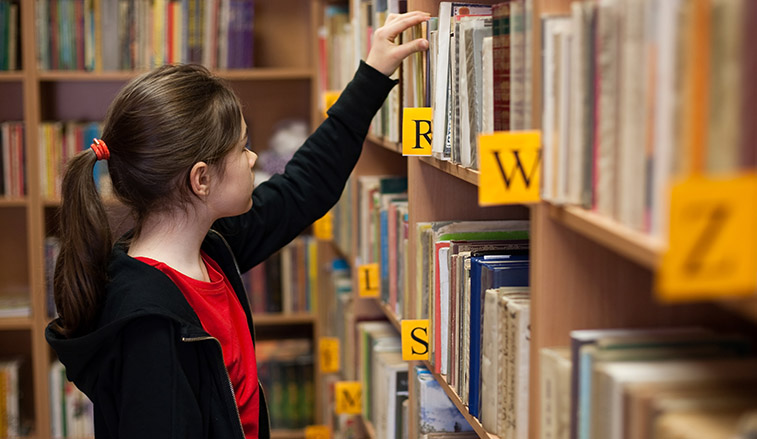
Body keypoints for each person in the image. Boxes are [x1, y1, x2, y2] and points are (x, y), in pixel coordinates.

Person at [45, 11, 430, 439]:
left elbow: (304, 188)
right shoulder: (149, 328)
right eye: (242, 147)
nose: (253, 159)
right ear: (201, 179)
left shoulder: (211, 248)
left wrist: (372, 75)